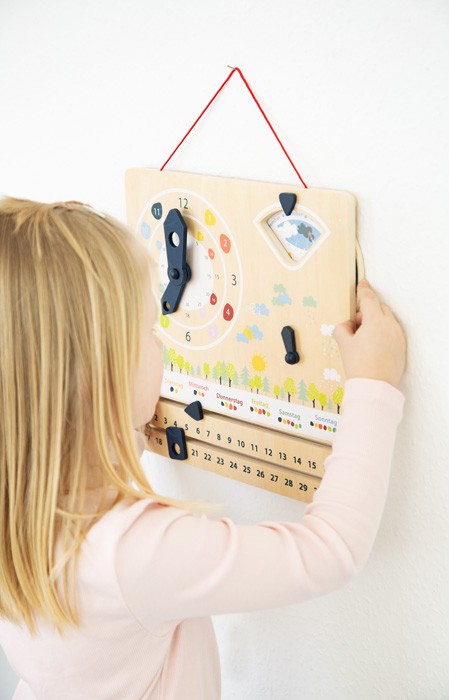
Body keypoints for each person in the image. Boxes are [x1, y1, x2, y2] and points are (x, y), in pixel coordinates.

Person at [0, 197, 406, 699]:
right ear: (100, 383)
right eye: (149, 330)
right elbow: (330, 551)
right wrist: (372, 384)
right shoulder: (137, 552)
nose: (161, 345)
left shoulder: (21, 509)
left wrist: (120, 425)